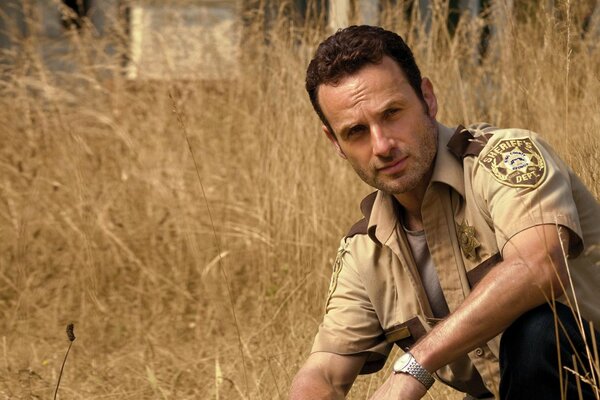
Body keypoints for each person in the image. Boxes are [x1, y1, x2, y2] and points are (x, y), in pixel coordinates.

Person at [289, 25, 600, 400]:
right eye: (356, 131)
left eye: (392, 113)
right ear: (335, 143)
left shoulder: (504, 159)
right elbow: (323, 372)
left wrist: (414, 367)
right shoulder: (365, 252)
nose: (382, 145)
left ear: (427, 98)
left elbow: (539, 265)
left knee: (539, 332)